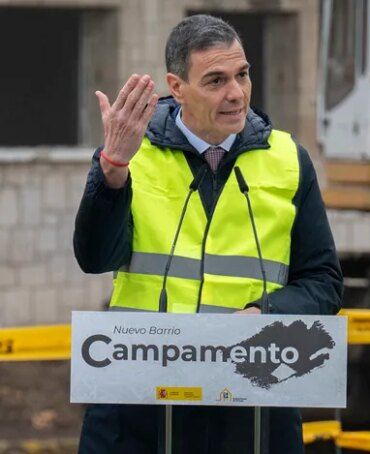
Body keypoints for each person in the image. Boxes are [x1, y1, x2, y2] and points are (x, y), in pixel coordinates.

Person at [73, 14, 343, 453]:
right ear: (177, 87)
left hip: (251, 405)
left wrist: (265, 314)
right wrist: (112, 170)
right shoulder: (130, 153)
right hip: (141, 403)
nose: (236, 93)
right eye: (216, 80)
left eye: (242, 75)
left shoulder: (290, 160)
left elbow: (324, 283)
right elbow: (94, 258)